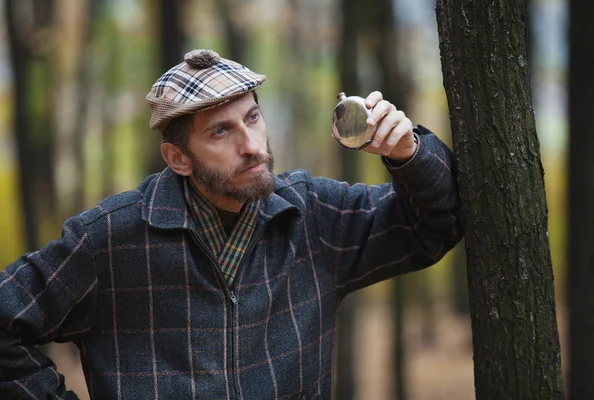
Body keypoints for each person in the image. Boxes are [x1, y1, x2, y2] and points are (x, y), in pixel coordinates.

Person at [0, 49, 462, 399]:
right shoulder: (110, 240)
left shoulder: (311, 215)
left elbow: (434, 226)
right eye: (221, 131)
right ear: (178, 157)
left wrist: (410, 154)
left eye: (253, 118)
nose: (252, 146)